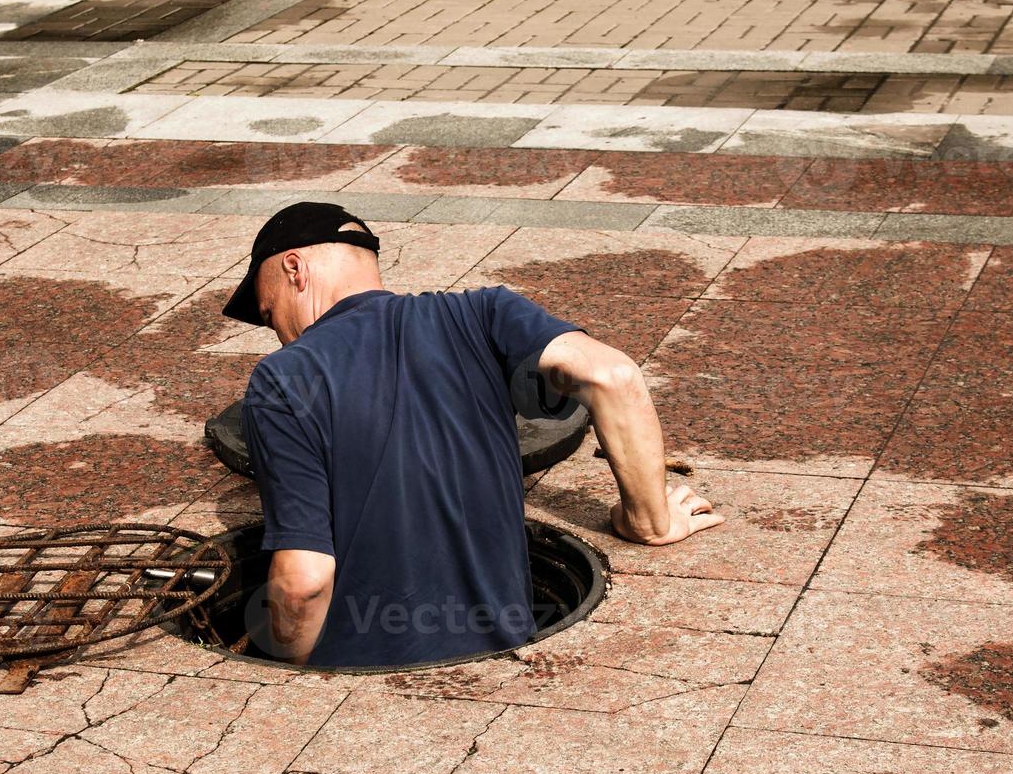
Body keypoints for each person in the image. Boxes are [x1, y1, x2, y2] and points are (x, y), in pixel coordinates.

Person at [224, 202, 722, 668]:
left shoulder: (283, 377)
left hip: (360, 666)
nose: (282, 335)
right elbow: (613, 377)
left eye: (270, 314)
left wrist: (285, 673)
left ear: (295, 269)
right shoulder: (484, 313)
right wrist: (651, 522)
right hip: (507, 650)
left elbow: (303, 582)